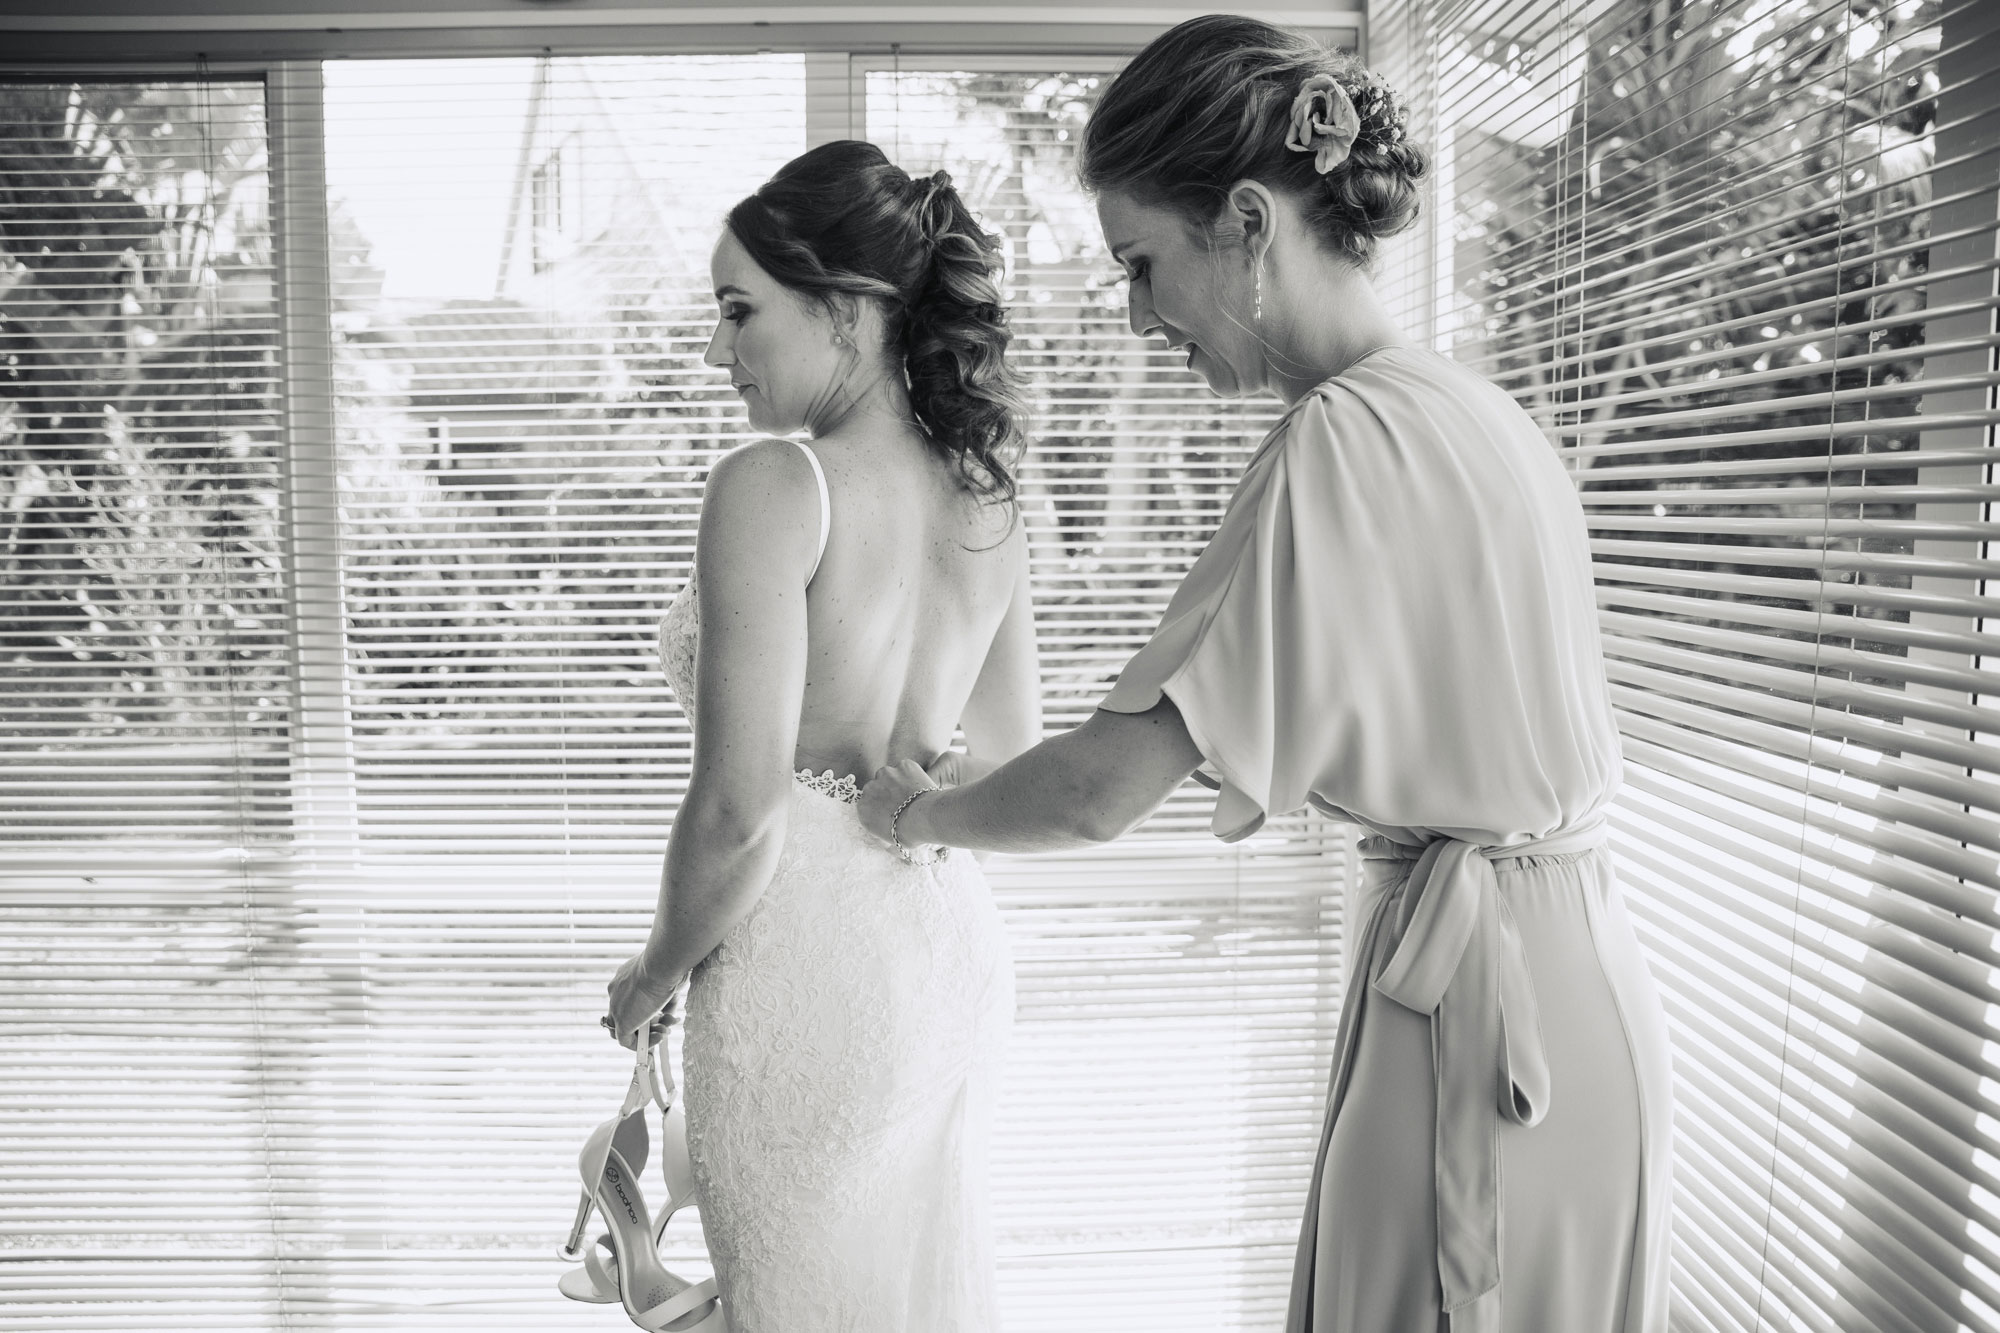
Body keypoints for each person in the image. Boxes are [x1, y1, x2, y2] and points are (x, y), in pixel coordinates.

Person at [860, 16, 1673, 1333]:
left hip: (1478, 1029)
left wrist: (916, 811)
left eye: (1141, 263)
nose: (1134, 317)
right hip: (1586, 1004)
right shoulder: (1481, 412)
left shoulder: (1340, 444)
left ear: (1245, 220)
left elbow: (1097, 791)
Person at [601, 140, 1039, 1332]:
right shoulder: (987, 495)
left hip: (804, 969)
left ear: (846, 311)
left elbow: (741, 811)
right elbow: (1009, 765)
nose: (716, 347)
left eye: (739, 311)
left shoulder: (773, 486)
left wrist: (648, 976)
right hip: (942, 953)